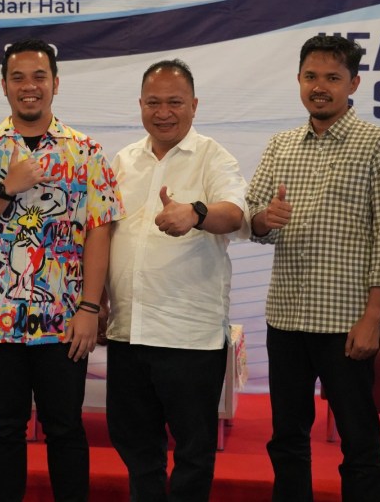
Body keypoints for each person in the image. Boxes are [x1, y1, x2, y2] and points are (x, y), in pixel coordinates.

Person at [0, 38, 124, 501]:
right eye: (17, 77)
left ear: (55, 84)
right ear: (4, 86)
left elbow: (99, 231)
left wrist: (90, 307)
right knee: (3, 428)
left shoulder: (86, 153)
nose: (29, 86)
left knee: (65, 427)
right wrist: (5, 188)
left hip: (65, 320)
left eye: (39, 76)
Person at [246, 35, 380, 502]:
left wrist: (374, 316)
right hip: (286, 318)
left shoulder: (379, 145)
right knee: (287, 438)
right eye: (311, 76)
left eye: (333, 78)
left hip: (346, 322)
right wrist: (264, 219)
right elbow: (252, 215)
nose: (320, 86)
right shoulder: (281, 145)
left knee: (358, 441)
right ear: (298, 80)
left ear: (353, 83)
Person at [104, 59, 248, 501]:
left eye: (175, 102)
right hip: (128, 333)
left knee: (192, 455)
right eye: (153, 102)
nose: (163, 112)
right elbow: (104, 232)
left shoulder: (213, 157)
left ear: (194, 105)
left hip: (189, 338)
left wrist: (196, 213)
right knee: (136, 448)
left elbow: (235, 214)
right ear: (140, 105)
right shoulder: (124, 160)